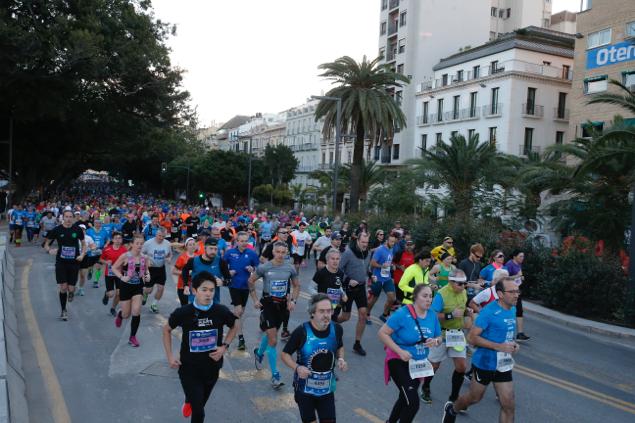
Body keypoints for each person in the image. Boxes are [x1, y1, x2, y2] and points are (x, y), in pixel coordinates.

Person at [163, 272, 239, 423]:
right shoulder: (184, 312)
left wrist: (224, 346)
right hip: (189, 368)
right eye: (204, 289)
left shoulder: (220, 311)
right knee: (199, 413)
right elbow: (166, 329)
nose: (209, 293)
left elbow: (235, 324)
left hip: (212, 367)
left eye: (212, 290)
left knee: (200, 404)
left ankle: (189, 400)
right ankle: (191, 400)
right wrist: (170, 356)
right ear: (194, 291)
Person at [442, 277, 520, 423]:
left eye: (517, 291)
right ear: (501, 294)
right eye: (512, 292)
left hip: (503, 363)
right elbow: (471, 338)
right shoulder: (488, 312)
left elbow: (507, 334)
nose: (516, 295)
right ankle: (452, 409)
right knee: (475, 397)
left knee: (509, 405)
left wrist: (513, 344)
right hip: (485, 362)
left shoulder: (512, 309)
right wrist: (498, 346)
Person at [378, 284, 442, 423]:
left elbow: (439, 337)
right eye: (424, 296)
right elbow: (382, 333)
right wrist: (400, 351)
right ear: (415, 297)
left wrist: (435, 341)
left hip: (418, 364)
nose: (428, 299)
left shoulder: (432, 315)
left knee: (404, 397)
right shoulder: (402, 313)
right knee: (412, 403)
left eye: (430, 296)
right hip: (398, 360)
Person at [281, 293, 348, 423]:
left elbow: (340, 346)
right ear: (312, 313)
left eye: (329, 311)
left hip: (326, 389)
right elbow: (285, 354)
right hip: (304, 390)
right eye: (321, 311)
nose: (326, 315)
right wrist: (297, 367)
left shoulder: (337, 329)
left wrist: (341, 359)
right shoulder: (302, 331)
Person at [249, 241, 300, 389]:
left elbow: (297, 285)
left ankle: (259, 353)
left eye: (283, 252)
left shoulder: (290, 268)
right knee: (273, 340)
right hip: (268, 304)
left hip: (283, 306)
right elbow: (251, 281)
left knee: (272, 335)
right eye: (278, 252)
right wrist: (255, 299)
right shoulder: (265, 267)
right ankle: (275, 375)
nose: (280, 255)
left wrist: (293, 301)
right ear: (273, 252)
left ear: (286, 253)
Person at [422, 269, 473, 404]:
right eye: (460, 284)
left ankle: (454, 398)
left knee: (461, 367)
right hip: (441, 334)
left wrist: (468, 312)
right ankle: (425, 387)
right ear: (451, 282)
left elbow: (464, 308)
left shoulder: (463, 292)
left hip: (457, 334)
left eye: (465, 283)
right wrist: (450, 315)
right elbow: (431, 316)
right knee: (434, 366)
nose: (463, 286)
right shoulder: (441, 295)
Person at [43, 209, 86, 321]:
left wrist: (82, 255)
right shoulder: (57, 230)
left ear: (73, 218)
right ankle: (63, 310)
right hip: (61, 262)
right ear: (63, 217)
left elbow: (84, 244)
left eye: (70, 217)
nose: (68, 219)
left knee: (71, 288)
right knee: (63, 287)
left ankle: (71, 292)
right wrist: (49, 250)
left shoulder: (77, 230)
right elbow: (46, 244)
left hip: (74, 263)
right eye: (66, 216)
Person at [111, 233, 151, 347]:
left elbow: (146, 270)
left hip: (138, 286)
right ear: (132, 244)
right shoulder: (125, 256)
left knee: (136, 311)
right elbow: (114, 268)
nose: (139, 245)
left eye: (141, 243)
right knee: (126, 314)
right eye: (137, 243)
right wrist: (121, 277)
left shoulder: (144, 257)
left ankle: (132, 337)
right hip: (125, 287)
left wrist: (148, 275)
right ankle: (120, 315)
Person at [223, 231, 260, 351]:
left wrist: (252, 269)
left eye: (246, 241)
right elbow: (222, 267)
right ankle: (240, 338)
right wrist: (228, 273)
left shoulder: (252, 253)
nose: (244, 243)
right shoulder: (230, 253)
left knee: (239, 313)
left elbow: (258, 269)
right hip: (234, 286)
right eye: (242, 241)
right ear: (237, 241)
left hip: (246, 286)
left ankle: (233, 324)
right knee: (238, 311)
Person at [338, 232, 371, 356]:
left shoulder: (368, 253)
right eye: (363, 242)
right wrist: (348, 280)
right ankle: (331, 324)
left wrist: (371, 275)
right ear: (357, 240)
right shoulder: (348, 253)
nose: (364, 245)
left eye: (367, 243)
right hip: (348, 288)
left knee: (363, 314)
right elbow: (339, 270)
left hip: (361, 287)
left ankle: (357, 344)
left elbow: (365, 268)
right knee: (346, 317)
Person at [181, 238, 230, 305]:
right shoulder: (193, 261)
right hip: (195, 300)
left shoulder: (221, 262)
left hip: (213, 301)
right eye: (211, 248)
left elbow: (229, 280)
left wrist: (223, 282)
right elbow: (185, 270)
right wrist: (185, 285)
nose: (213, 251)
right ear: (205, 248)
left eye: (215, 249)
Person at [141, 227, 173, 312]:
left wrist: (169, 258)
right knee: (149, 290)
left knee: (161, 288)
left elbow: (170, 254)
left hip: (161, 269)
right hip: (150, 269)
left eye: (163, 236)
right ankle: (145, 294)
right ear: (156, 234)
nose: (161, 238)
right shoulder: (148, 243)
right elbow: (140, 253)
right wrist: (146, 259)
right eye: (159, 236)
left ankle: (154, 304)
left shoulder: (167, 244)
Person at [368, 233, 398, 322]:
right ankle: (367, 313)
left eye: (394, 242)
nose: (393, 243)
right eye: (391, 241)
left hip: (387, 278)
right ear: (386, 241)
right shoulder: (380, 250)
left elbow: (388, 262)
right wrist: (382, 266)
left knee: (392, 298)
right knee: (374, 298)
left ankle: (384, 315)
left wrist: (392, 265)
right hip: (377, 278)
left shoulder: (391, 250)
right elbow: (372, 263)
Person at [311, 249, 348, 319]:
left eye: (337, 259)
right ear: (327, 260)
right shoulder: (321, 273)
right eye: (333, 259)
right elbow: (311, 288)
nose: (335, 261)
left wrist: (343, 294)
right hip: (322, 307)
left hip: (335, 306)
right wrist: (319, 298)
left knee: (331, 327)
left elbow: (339, 286)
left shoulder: (340, 273)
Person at [100, 231, 127, 316]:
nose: (118, 240)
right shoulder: (107, 249)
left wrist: (125, 263)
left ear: (122, 240)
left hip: (119, 274)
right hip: (109, 274)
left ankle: (113, 308)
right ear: (113, 240)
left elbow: (127, 260)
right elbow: (101, 259)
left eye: (120, 238)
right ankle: (107, 294)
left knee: (119, 293)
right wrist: (106, 261)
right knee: (111, 294)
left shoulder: (124, 250)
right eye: (116, 238)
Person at [505, 250, 530, 341]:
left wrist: (521, 278)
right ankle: (507, 332)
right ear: (514, 256)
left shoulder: (518, 264)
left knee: (519, 310)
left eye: (523, 256)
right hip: (509, 291)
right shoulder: (509, 264)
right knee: (509, 310)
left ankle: (520, 333)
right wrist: (517, 276)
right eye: (520, 256)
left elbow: (519, 276)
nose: (522, 258)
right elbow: (505, 277)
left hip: (517, 290)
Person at [173, 238, 197, 306]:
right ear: (186, 246)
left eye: (193, 244)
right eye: (190, 245)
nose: (192, 246)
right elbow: (174, 271)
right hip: (182, 286)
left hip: (194, 285)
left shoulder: (197, 257)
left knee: (195, 306)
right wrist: (185, 273)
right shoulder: (182, 257)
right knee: (185, 307)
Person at [393, 239, 416, 306]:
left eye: (410, 245)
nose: (409, 247)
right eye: (407, 245)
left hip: (409, 279)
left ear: (413, 246)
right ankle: (395, 306)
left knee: (406, 297)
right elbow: (392, 263)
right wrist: (400, 267)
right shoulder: (400, 253)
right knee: (399, 297)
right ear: (404, 245)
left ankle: (400, 308)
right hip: (399, 278)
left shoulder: (415, 254)